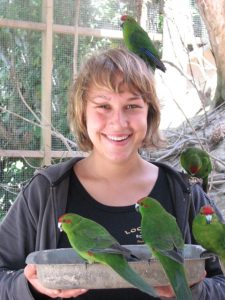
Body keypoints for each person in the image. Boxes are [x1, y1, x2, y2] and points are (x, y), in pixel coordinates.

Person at [0, 48, 225, 300]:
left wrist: (192, 290)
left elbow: (220, 282)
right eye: (103, 105)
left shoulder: (185, 194)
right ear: (81, 112)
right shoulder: (45, 193)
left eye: (132, 105)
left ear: (149, 114)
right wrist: (29, 287)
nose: (118, 122)